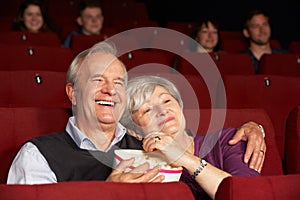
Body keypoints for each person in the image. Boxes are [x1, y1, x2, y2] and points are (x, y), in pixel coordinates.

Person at [7, 41, 265, 184]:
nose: (110, 90)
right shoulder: (37, 157)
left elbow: (198, 145)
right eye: (98, 80)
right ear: (73, 93)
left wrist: (255, 127)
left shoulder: (151, 144)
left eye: (119, 82)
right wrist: (109, 194)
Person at [121, 75, 263, 199]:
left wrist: (185, 158)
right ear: (135, 131)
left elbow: (248, 194)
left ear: (180, 106)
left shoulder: (227, 140)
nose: (162, 111)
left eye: (166, 101)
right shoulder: (135, 166)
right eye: (147, 110)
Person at [241, 9, 288, 73]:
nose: (262, 30)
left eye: (265, 24)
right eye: (256, 26)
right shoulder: (242, 60)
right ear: (246, 33)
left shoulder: (285, 57)